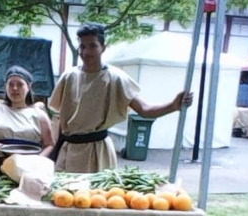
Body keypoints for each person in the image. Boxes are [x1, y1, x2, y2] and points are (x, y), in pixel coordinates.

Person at [49, 23, 194, 173]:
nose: (86, 52)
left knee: (97, 195)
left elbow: (144, 110)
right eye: (82, 46)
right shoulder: (69, 77)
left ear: (103, 47)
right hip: (68, 150)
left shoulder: (115, 78)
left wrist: (173, 105)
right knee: (64, 195)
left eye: (92, 46)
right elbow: (58, 119)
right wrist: (53, 149)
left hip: (98, 152)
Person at [0, 65, 54, 157]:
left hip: (30, 163)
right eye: (11, 84)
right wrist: (4, 148)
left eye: (20, 84)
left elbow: (49, 145)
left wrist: (37, 160)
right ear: (5, 86)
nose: (15, 88)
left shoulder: (39, 114)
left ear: (29, 87)